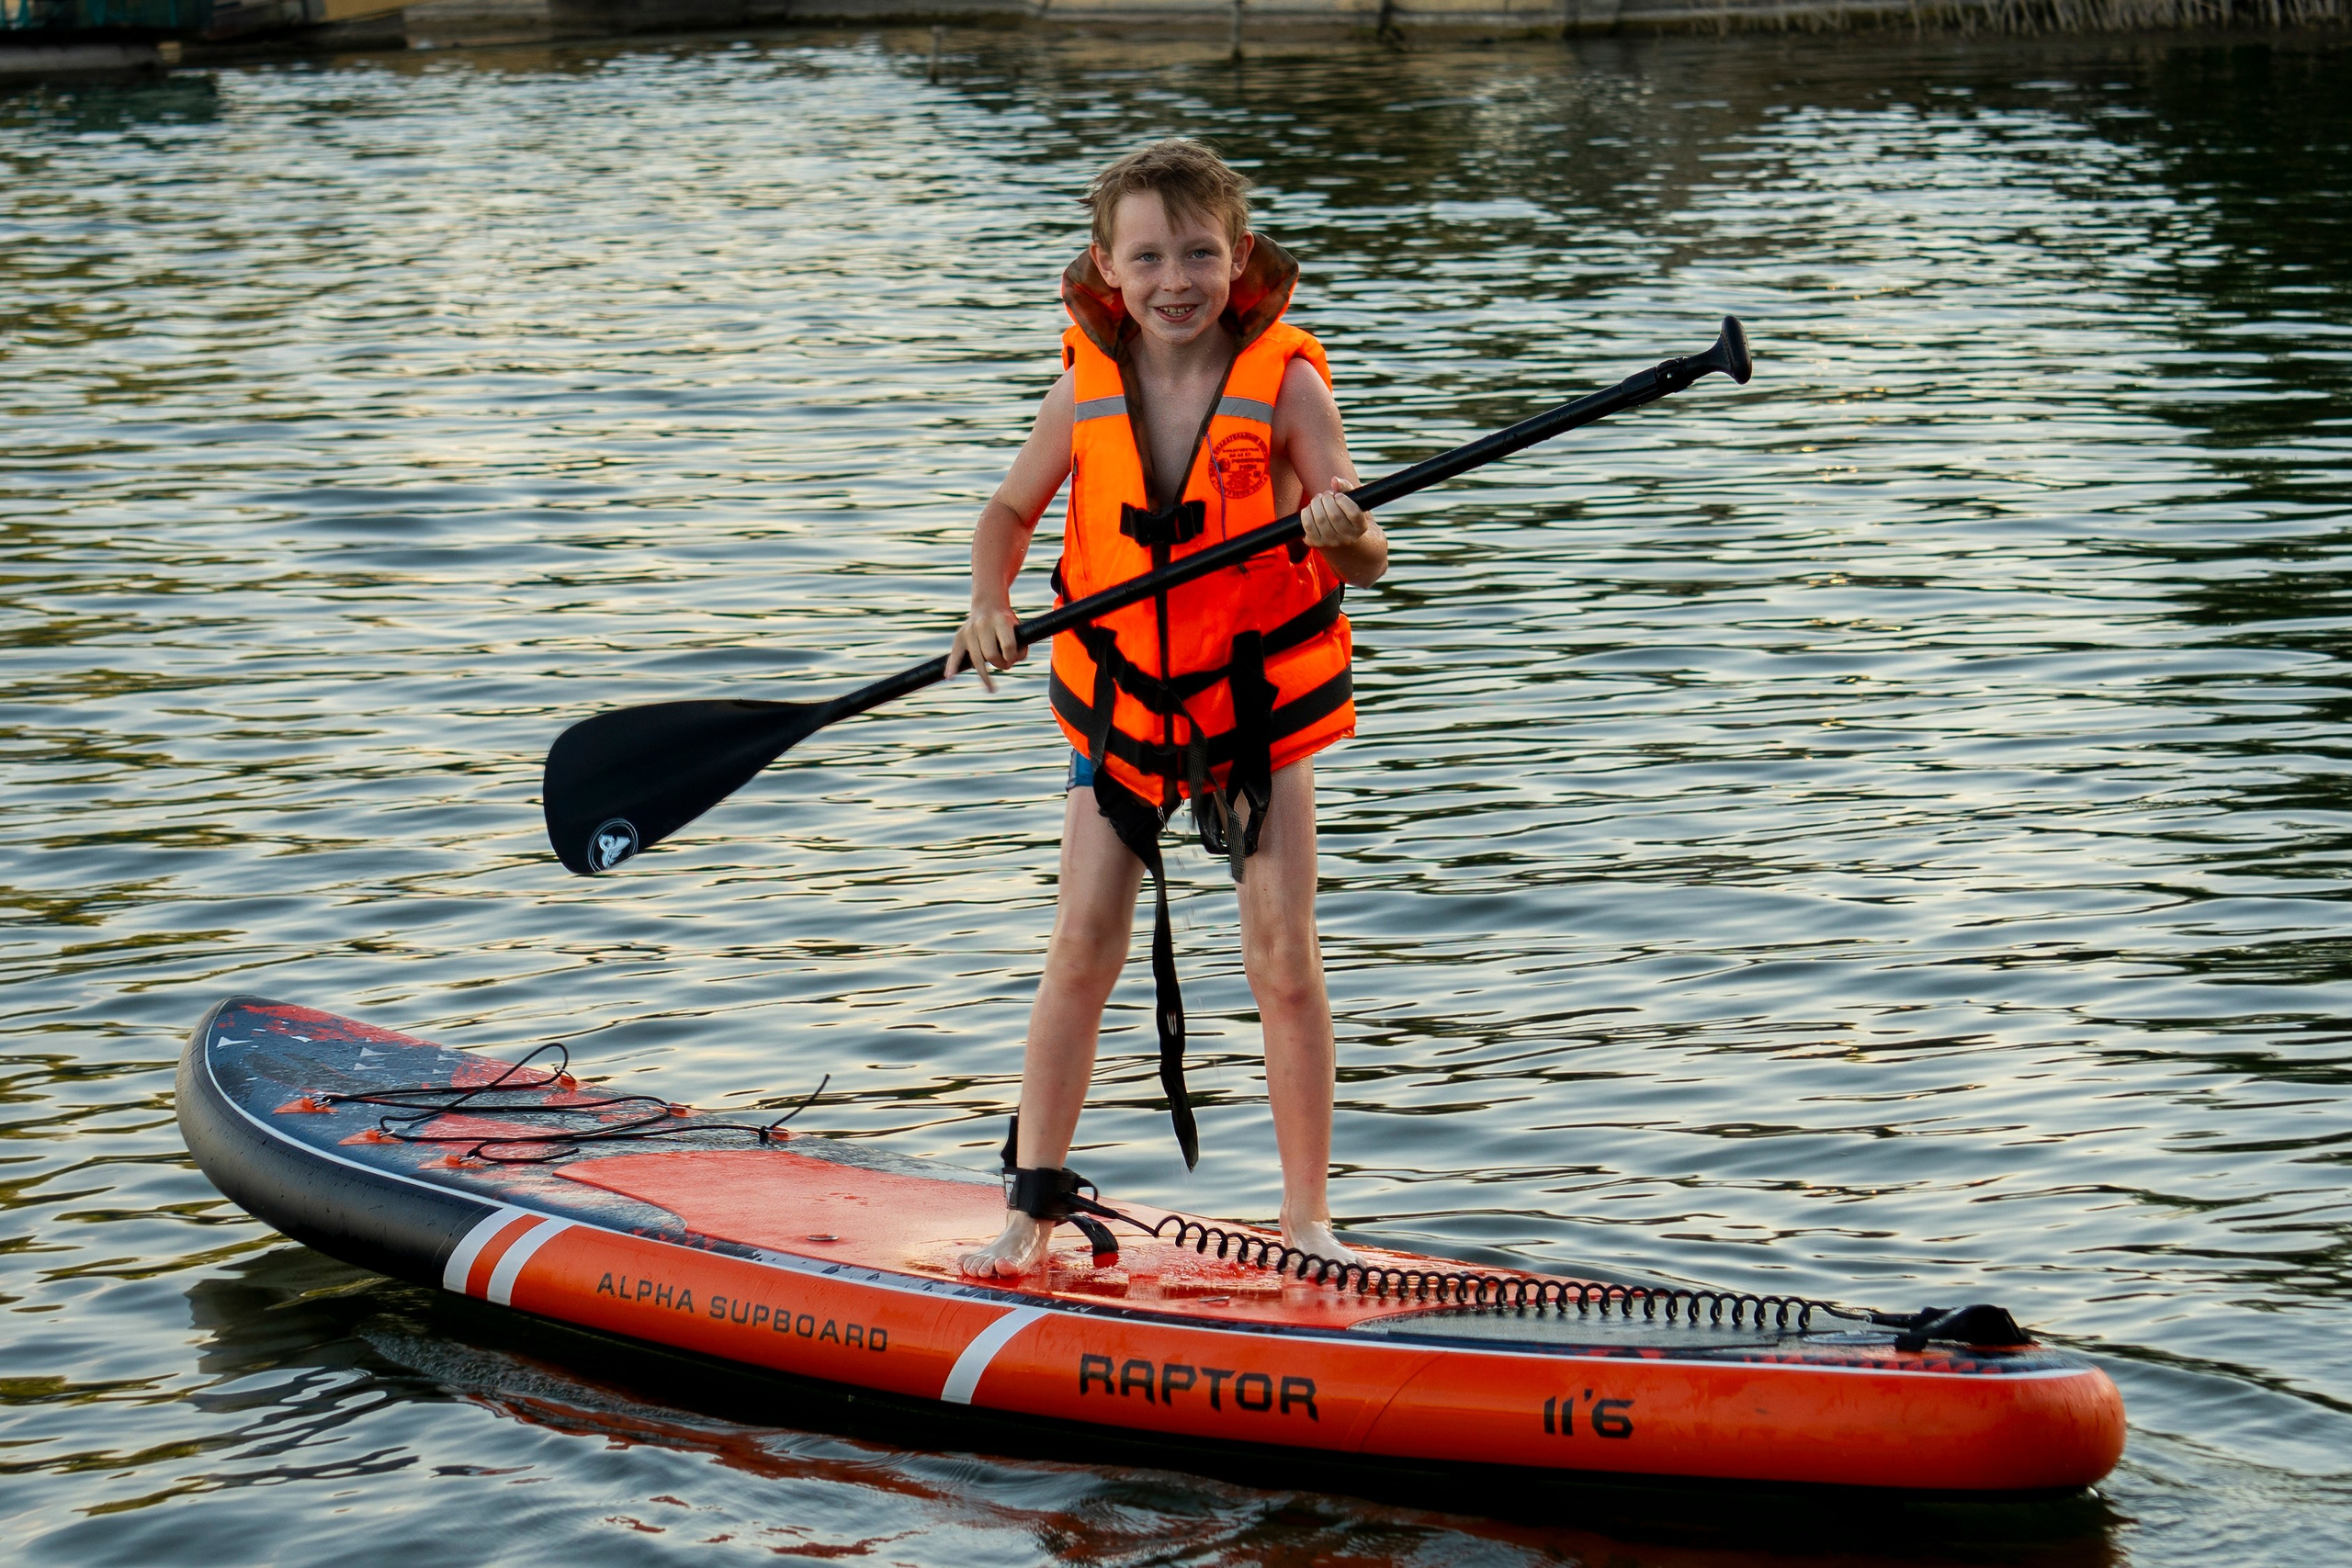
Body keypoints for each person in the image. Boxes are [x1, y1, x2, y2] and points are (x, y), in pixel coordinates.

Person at [944, 139, 1387, 1279]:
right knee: (1080, 948)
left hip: (1250, 713)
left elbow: (1362, 550)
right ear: (1107, 266)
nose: (1175, 279)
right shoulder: (1084, 385)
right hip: (1123, 712)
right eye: (1148, 257)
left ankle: (1306, 1223)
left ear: (1240, 260)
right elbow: (1007, 510)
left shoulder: (1287, 383)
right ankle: (1031, 1207)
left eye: (1199, 252)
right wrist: (987, 603)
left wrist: (1346, 537)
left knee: (1282, 957)